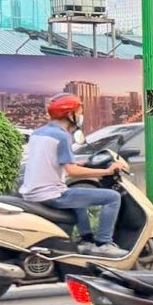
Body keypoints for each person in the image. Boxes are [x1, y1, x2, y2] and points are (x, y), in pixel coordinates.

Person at [18, 94, 127, 256]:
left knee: (79, 200)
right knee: (112, 197)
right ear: (70, 114)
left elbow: (50, 159)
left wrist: (79, 163)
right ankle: (103, 244)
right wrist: (107, 171)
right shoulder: (63, 136)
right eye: (79, 112)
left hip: (33, 191)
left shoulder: (39, 133)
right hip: (51, 194)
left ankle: (86, 240)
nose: (81, 116)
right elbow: (72, 172)